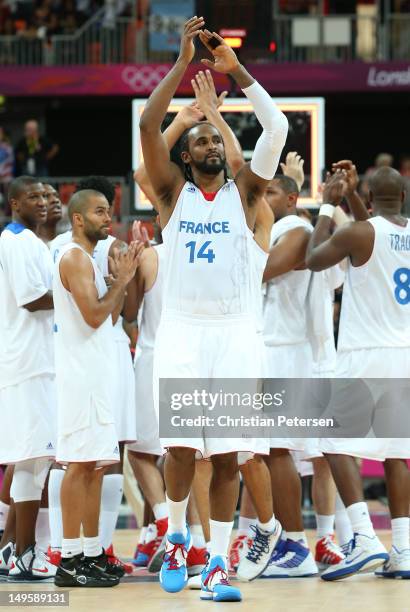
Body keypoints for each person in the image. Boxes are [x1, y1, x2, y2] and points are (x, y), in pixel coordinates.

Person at [139, 17, 288, 601]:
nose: (208, 145)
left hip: (233, 334)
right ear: (185, 155)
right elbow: (150, 123)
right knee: (180, 448)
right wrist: (180, 66)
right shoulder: (171, 194)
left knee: (227, 454)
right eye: (198, 139)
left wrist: (237, 73)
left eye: (214, 140)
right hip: (181, 331)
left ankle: (219, 564)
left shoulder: (248, 192)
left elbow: (274, 125)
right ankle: (177, 535)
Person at [306, 167, 410, 580]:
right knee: (396, 453)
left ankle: (364, 537)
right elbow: (374, 233)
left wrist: (330, 204)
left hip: (366, 353)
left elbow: (314, 260)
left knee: (331, 440)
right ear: (403, 195)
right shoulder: (389, 230)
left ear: (368, 195)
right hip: (404, 353)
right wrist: (353, 200)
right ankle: (403, 548)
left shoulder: (359, 233)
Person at [52, 189, 142, 587]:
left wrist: (117, 285)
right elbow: (93, 317)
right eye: (99, 211)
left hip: (95, 371)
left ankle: (89, 553)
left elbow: (108, 317)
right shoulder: (73, 257)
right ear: (77, 219)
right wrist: (121, 281)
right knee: (78, 465)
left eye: (109, 209)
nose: (109, 217)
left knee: (94, 466)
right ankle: (68, 559)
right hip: (79, 376)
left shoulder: (87, 259)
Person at [0, 176, 56, 581]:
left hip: (35, 361)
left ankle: (14, 551)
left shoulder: (30, 243)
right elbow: (33, 298)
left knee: (34, 461)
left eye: (44, 195)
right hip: (28, 363)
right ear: (14, 203)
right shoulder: (17, 241)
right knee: (32, 459)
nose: (41, 201)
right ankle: (23, 555)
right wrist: (81, 291)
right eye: (32, 196)